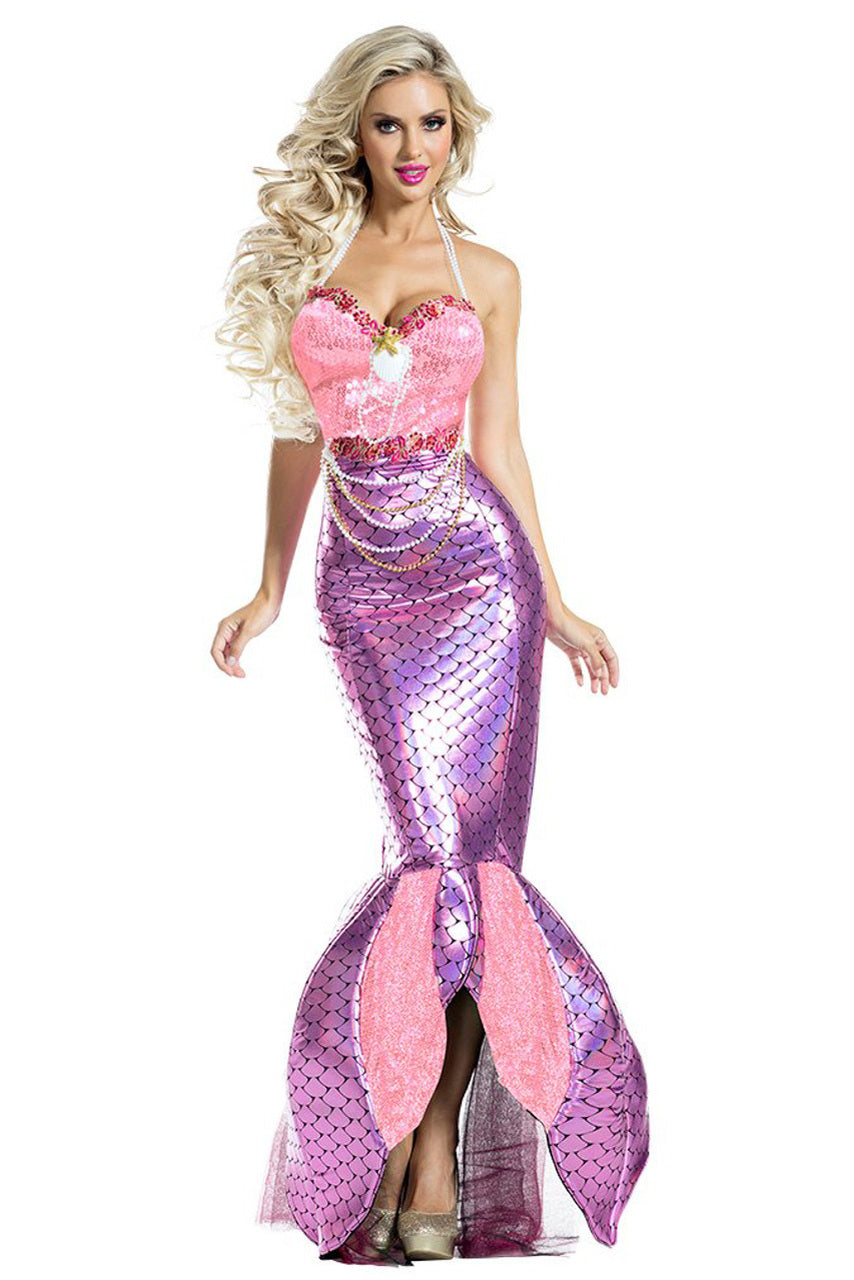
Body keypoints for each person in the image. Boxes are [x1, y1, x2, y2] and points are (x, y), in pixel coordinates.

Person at [211, 24, 649, 1267]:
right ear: (353, 132)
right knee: (424, 863)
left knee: (473, 874)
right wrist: (268, 584)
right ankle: (398, 1136)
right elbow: (296, 432)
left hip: (479, 586)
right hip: (363, 590)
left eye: (433, 123)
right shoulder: (311, 262)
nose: (413, 146)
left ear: (457, 131)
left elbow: (499, 446)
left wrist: (555, 599)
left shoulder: (491, 273)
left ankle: (426, 1144)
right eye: (388, 122)